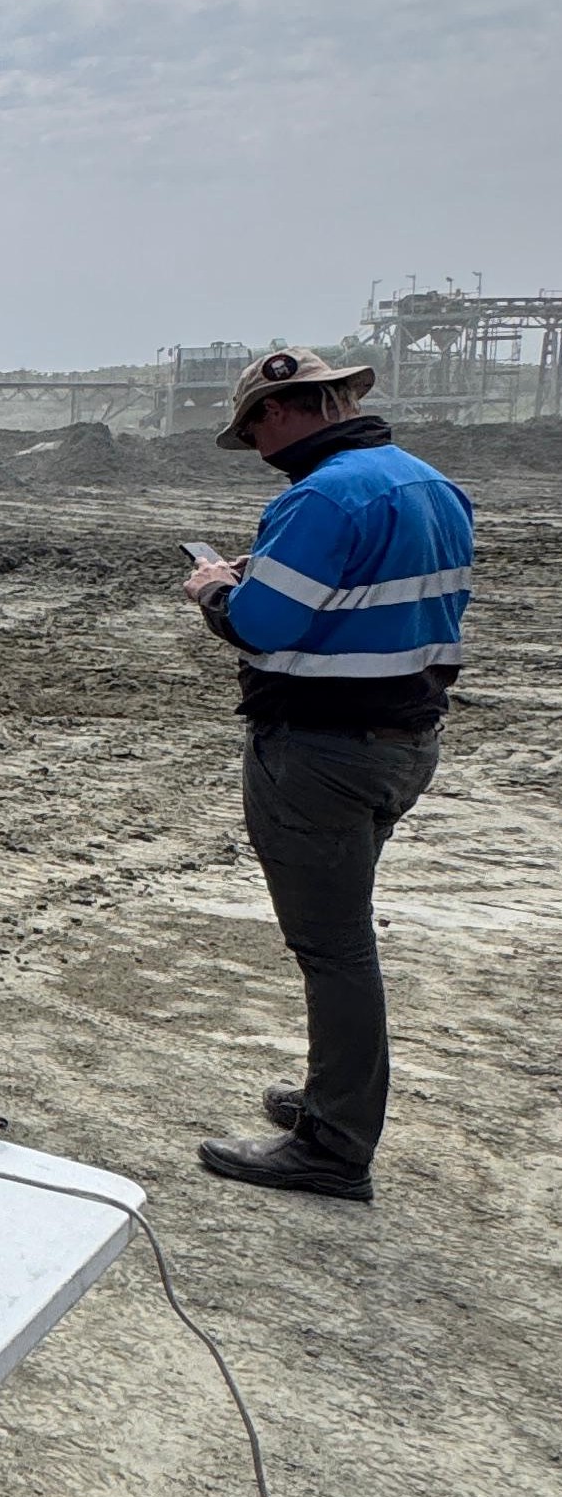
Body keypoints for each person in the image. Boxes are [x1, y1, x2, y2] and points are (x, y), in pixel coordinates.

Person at [180, 347, 473, 1202]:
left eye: (252, 431)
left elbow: (261, 626)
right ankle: (327, 1100)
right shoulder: (429, 484)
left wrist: (211, 589)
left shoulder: (319, 495)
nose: (258, 448)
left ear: (279, 413)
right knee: (342, 936)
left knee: (333, 947)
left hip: (320, 750)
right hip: (404, 737)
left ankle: (334, 1145)